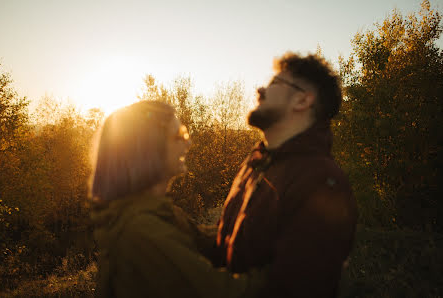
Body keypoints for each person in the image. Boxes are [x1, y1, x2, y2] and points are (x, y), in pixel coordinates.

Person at [214, 52, 358, 298]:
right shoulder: (257, 162)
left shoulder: (321, 183)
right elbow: (228, 245)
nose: (260, 89)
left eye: (274, 83)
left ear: (302, 101)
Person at [89, 101, 263, 298]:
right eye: (179, 136)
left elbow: (206, 242)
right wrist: (290, 269)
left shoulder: (152, 211)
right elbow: (225, 292)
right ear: (149, 149)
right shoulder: (142, 229)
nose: (188, 143)